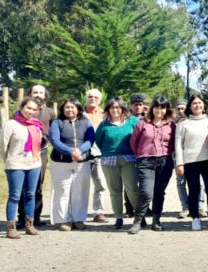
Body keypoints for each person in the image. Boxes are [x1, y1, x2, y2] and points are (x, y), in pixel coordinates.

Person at [128, 96, 176, 234]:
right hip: (145, 161)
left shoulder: (171, 125)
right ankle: (137, 221)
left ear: (166, 109)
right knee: (146, 192)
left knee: (159, 193)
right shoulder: (142, 123)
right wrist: (140, 155)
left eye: (162, 107)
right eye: (157, 107)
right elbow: (133, 142)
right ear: (151, 108)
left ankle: (156, 220)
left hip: (165, 161)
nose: (159, 110)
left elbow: (173, 143)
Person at [49, 98, 95, 231]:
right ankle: (64, 220)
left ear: (78, 109)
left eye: (72, 107)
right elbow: (55, 140)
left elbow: (90, 139)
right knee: (62, 189)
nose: (69, 109)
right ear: (62, 110)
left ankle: (78, 219)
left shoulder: (86, 122)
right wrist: (71, 152)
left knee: (80, 190)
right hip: (61, 162)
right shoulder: (57, 123)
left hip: (82, 161)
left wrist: (80, 150)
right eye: (67, 107)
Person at [94, 97, 140, 230]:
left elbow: (139, 137)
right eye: (112, 107)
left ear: (123, 109)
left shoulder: (132, 121)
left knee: (132, 188)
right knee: (115, 190)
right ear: (108, 109)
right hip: (109, 161)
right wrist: (109, 151)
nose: (115, 110)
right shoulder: (104, 125)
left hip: (129, 159)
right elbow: (98, 141)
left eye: (118, 107)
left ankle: (139, 217)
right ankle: (119, 217)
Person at [0, 98, 43, 239]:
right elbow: (2, 146)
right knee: (15, 196)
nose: (30, 111)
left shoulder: (37, 125)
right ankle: (11, 228)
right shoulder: (11, 124)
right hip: (15, 165)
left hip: (34, 165)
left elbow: (39, 145)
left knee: (31, 195)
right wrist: (9, 161)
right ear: (22, 107)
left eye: (33, 109)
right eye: (28, 108)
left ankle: (29, 225)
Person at [175, 94, 208, 231]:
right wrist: (179, 163)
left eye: (200, 103)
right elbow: (178, 144)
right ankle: (195, 218)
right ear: (190, 106)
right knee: (194, 190)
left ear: (204, 105)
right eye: (194, 103)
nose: (197, 106)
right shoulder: (183, 123)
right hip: (190, 161)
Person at [17, 84, 55, 228]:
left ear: (45, 95)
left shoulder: (50, 112)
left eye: (41, 92)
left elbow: (54, 132)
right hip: (23, 153)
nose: (38, 94)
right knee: (22, 186)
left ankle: (35, 217)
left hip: (41, 152)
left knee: (37, 185)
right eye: (35, 92)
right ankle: (21, 218)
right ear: (30, 94)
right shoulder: (22, 111)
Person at [85, 88, 108, 224]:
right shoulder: (79, 113)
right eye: (90, 97)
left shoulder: (105, 115)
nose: (93, 99)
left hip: (99, 154)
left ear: (100, 100)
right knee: (80, 185)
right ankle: (77, 213)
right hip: (83, 154)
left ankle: (98, 212)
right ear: (86, 98)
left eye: (96, 97)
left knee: (100, 183)